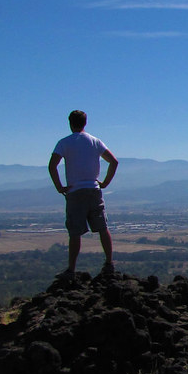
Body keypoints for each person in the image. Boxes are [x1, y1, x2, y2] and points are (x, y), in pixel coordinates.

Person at [48, 110, 119, 279]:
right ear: (85, 123)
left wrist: (60, 187)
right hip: (94, 190)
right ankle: (109, 264)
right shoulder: (95, 142)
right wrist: (105, 183)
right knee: (102, 228)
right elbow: (114, 162)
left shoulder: (64, 143)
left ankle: (71, 270)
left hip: (75, 192)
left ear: (70, 123)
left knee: (75, 232)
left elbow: (52, 165)